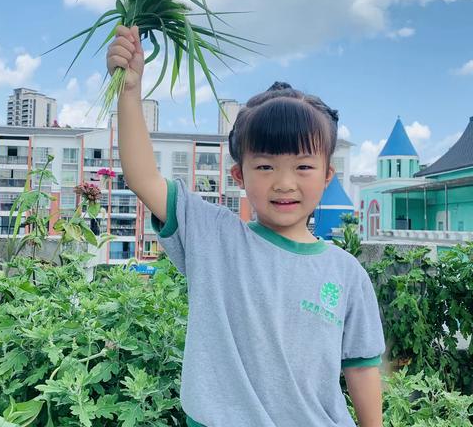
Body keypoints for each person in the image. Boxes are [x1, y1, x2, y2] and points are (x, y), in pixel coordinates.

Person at [108, 25, 386, 427]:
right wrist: (129, 91)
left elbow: (361, 369)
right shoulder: (214, 237)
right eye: (266, 166)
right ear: (239, 175)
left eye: (303, 166)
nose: (285, 182)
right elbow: (143, 178)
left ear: (328, 175)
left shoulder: (347, 273)